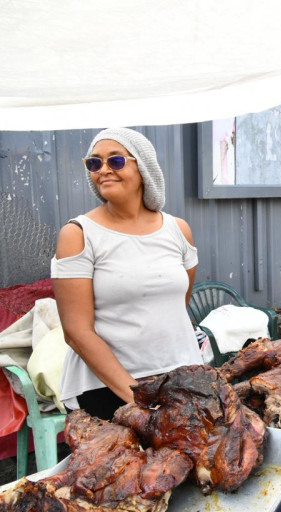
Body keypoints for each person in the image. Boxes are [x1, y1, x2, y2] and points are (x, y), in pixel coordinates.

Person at [52, 128, 203, 419]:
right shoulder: (79, 234)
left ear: (143, 167)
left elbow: (177, 305)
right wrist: (138, 399)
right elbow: (76, 332)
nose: (103, 170)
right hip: (108, 390)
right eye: (94, 163)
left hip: (180, 380)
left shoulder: (178, 230)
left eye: (116, 160)